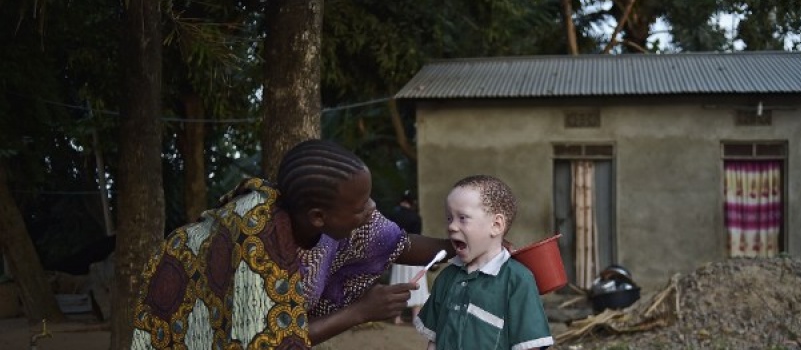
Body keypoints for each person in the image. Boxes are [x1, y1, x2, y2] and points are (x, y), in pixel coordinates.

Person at [130, 139, 453, 349]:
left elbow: (397, 242)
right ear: (318, 217)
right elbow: (268, 341)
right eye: (358, 207)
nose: (370, 210)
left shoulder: (328, 220)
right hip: (184, 315)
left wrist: (464, 245)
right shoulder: (257, 250)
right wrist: (361, 311)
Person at [414, 175, 553, 350]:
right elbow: (434, 341)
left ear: (496, 225)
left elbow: (530, 346)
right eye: (449, 218)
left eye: (462, 218)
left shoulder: (518, 280)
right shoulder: (446, 278)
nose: (451, 226)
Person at [385, 191, 429, 324]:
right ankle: (416, 316)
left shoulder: (393, 215)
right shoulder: (415, 217)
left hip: (398, 254)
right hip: (414, 254)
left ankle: (397, 317)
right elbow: (418, 237)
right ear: (412, 202)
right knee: (416, 283)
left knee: (399, 283)